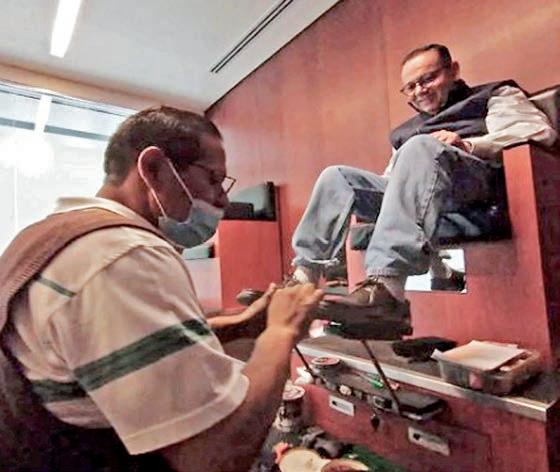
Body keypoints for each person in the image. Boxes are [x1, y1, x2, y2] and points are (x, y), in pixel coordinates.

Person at [0, 107, 323, 471]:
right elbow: (213, 458)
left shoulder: (47, 238)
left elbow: (108, 349)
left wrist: (242, 327)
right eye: (213, 179)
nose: (223, 199)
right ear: (154, 169)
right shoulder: (124, 255)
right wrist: (281, 332)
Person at [285, 43, 557, 316]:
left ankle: (387, 291)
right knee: (337, 178)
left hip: (480, 185)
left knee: (420, 146)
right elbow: (395, 180)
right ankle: (303, 280)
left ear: (453, 71)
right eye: (411, 87)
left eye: (428, 79)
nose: (420, 91)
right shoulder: (406, 133)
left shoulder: (493, 95)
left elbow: (536, 132)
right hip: (424, 189)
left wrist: (468, 145)